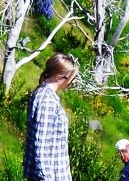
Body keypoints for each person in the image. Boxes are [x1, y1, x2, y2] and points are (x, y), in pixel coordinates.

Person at [23, 53, 79, 181]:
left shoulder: (42, 94)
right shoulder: (47, 100)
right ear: (60, 76)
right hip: (52, 176)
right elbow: (41, 146)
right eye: (71, 79)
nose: (71, 83)